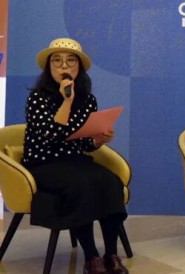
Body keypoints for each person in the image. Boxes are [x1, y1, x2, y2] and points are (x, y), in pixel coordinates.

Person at [22, 38, 128, 274]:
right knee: (82, 185)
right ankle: (92, 257)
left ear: (79, 67)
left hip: (75, 161)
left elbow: (83, 143)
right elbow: (51, 136)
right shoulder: (37, 97)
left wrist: (98, 140)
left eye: (71, 61)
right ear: (49, 67)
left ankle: (111, 254)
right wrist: (66, 101)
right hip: (43, 163)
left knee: (111, 182)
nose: (64, 67)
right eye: (57, 61)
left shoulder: (88, 100)